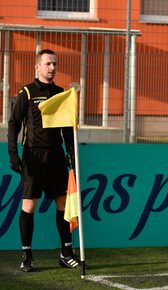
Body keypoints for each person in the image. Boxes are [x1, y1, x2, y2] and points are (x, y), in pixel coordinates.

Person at [8, 49, 80, 272]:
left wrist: (72, 154)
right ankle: (27, 256)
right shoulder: (27, 93)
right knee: (29, 206)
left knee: (62, 204)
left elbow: (68, 127)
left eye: (55, 64)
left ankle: (66, 253)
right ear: (37, 67)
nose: (52, 68)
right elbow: (13, 123)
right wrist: (13, 153)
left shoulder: (61, 93)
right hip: (33, 156)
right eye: (48, 64)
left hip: (57, 156)